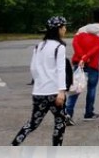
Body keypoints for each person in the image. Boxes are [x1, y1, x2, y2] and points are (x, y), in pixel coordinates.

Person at [11, 16, 71, 146]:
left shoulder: (39, 46)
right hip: (54, 92)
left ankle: (14, 145)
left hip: (38, 92)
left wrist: (40, 82)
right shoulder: (59, 47)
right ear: (59, 29)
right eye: (64, 27)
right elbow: (61, 70)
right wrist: (62, 91)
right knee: (60, 123)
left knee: (33, 123)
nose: (65, 29)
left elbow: (33, 68)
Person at [65, 7, 99, 124]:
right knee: (91, 88)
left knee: (76, 87)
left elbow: (75, 43)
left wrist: (82, 57)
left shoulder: (82, 29)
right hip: (94, 63)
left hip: (79, 62)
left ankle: (67, 113)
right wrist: (87, 57)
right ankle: (88, 113)